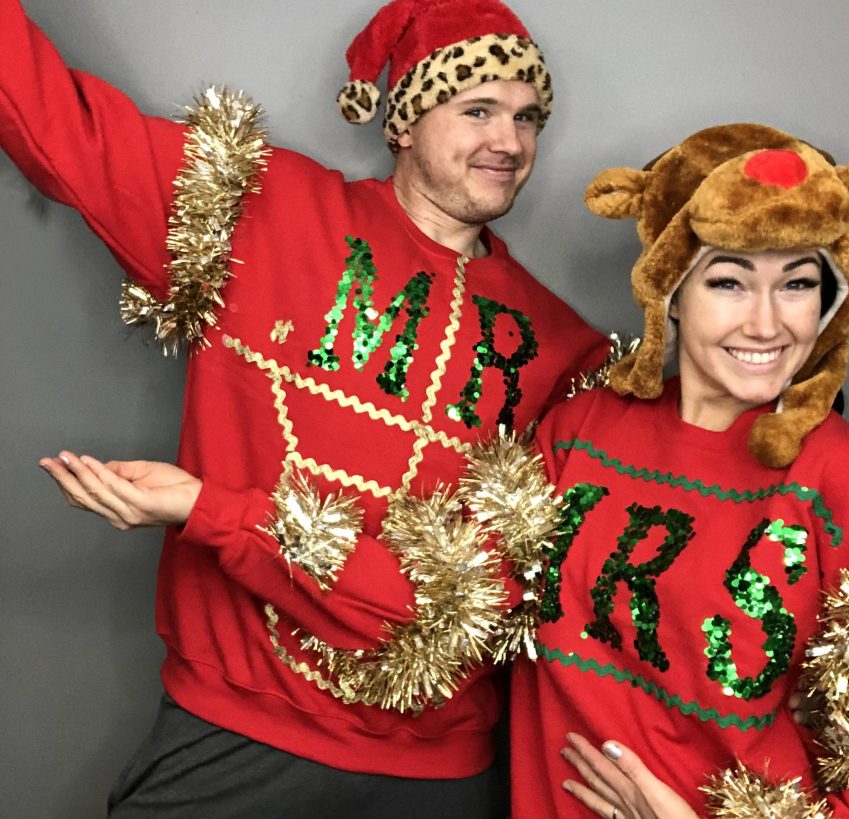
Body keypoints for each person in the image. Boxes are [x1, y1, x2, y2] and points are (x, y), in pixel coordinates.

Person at [2, 0, 611, 815]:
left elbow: (483, 601)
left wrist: (212, 511)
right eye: (479, 110)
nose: (510, 141)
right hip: (234, 734)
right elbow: (58, 124)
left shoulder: (566, 352)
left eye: (528, 117)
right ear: (404, 120)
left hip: (435, 774)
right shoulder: (266, 208)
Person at [509, 124, 849, 817]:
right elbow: (447, 608)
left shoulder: (848, 480)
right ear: (671, 289)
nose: (766, 323)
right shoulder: (581, 430)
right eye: (729, 281)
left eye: (797, 283)